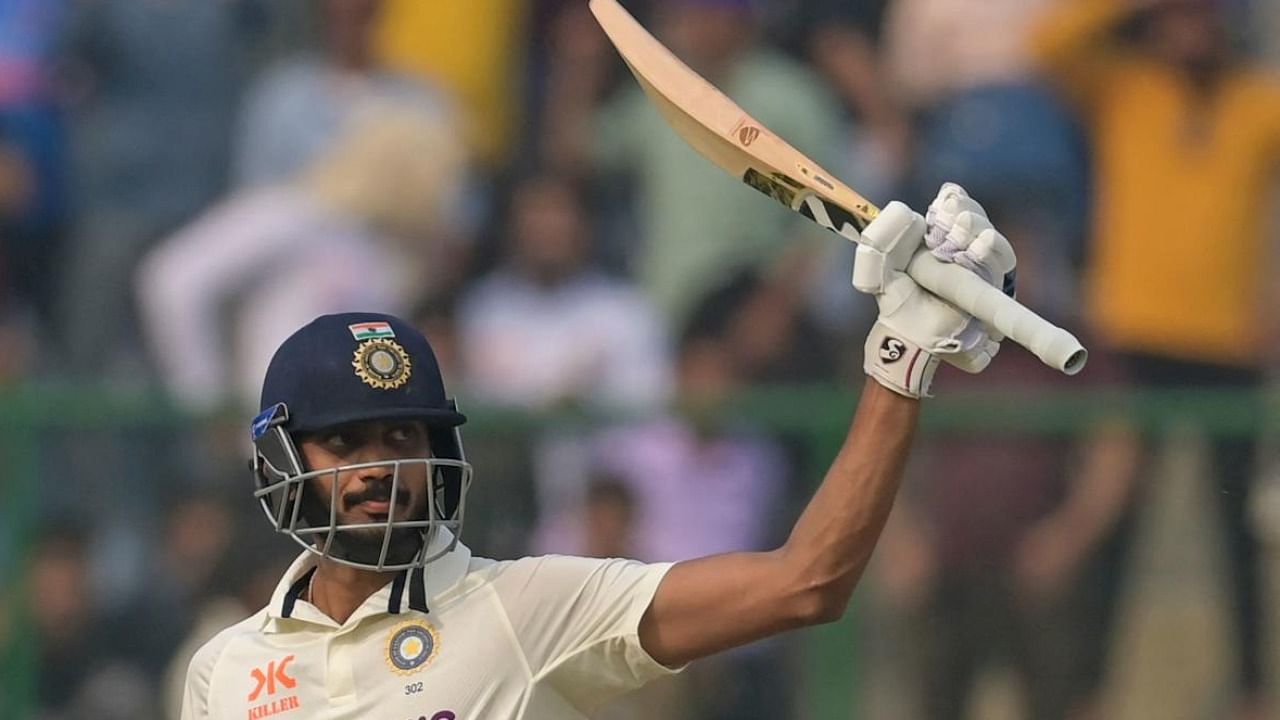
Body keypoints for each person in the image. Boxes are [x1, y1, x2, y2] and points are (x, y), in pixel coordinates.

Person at [179, 183, 1020, 718]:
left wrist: (900, 362)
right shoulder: (224, 669)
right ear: (283, 461)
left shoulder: (524, 606)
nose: (381, 470)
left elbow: (804, 585)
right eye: (346, 442)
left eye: (404, 437)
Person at [1033, 2, 1280, 717]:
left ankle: (1251, 690)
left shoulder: (1256, 102)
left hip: (1226, 346)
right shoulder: (1125, 88)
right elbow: (1050, 44)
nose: (1191, 31)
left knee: (1234, 529)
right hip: (1132, 341)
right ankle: (1088, 691)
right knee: (1114, 520)